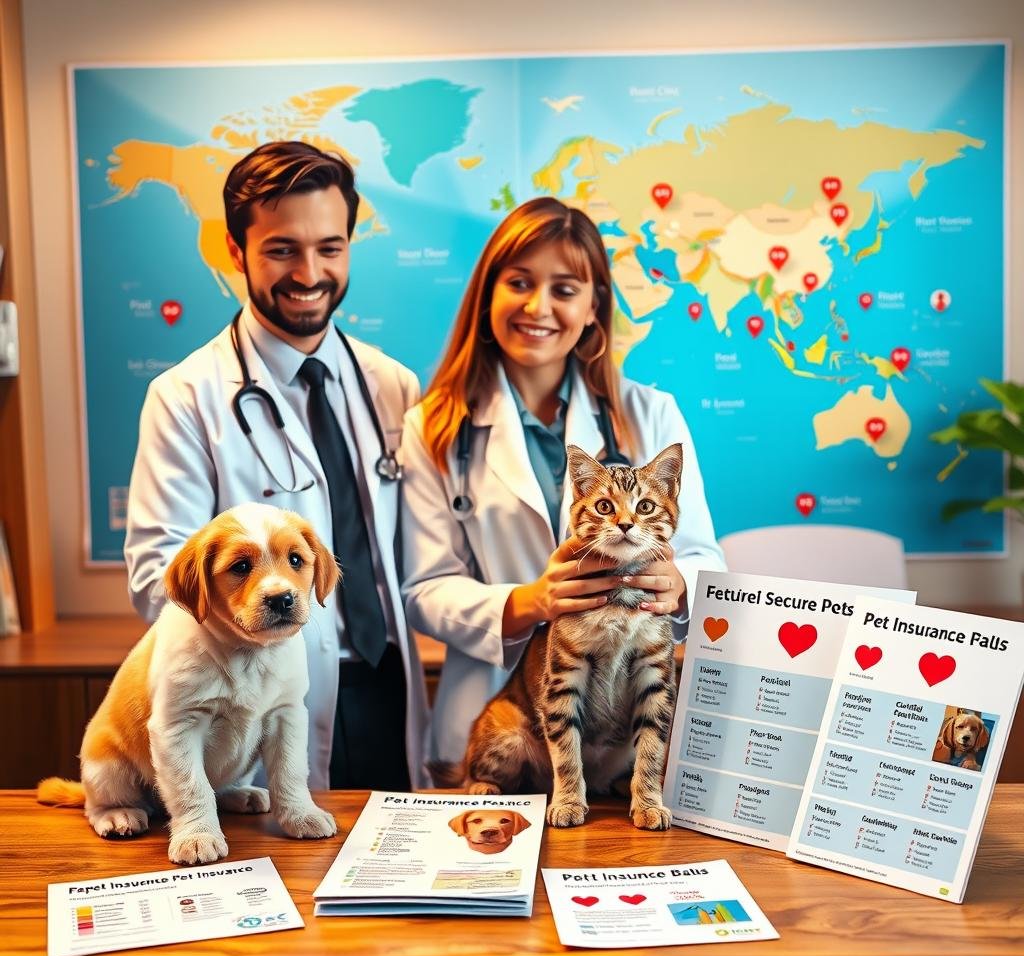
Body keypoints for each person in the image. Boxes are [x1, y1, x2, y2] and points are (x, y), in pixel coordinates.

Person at [125, 140, 428, 790]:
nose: (310, 272)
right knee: (284, 873)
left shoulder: (394, 385)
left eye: (329, 247)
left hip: (386, 686)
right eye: (282, 249)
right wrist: (262, 623)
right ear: (235, 251)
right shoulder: (186, 396)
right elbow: (159, 577)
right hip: (253, 697)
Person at [401, 197, 725, 768]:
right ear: (488, 295)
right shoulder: (435, 425)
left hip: (624, 728)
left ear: (594, 306)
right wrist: (528, 602)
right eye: (519, 282)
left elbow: (704, 560)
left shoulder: (651, 414)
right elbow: (424, 589)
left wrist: (677, 584)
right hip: (502, 719)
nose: (538, 306)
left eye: (565, 289)